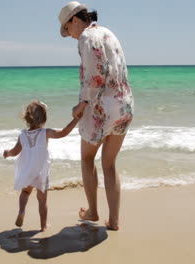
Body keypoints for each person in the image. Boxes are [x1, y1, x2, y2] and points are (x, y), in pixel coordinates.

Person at [58, 1, 134, 230]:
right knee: (109, 164)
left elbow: (96, 74)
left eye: (68, 28)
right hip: (124, 104)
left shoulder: (86, 37)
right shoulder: (107, 32)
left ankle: (92, 212)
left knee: (87, 158)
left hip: (102, 107)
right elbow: (116, 68)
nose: (70, 34)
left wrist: (82, 104)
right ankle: (114, 221)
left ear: (74, 20)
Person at [3, 100, 80, 232]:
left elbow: (15, 151)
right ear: (44, 118)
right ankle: (43, 226)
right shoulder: (45, 133)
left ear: (27, 118)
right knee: (42, 200)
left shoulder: (23, 135)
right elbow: (63, 132)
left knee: (25, 192)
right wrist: (75, 120)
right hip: (41, 172)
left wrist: (7, 153)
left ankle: (21, 211)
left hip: (27, 170)